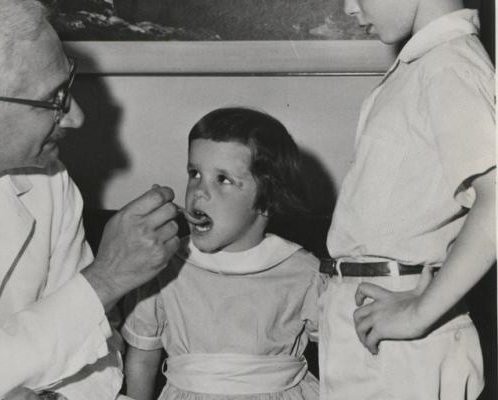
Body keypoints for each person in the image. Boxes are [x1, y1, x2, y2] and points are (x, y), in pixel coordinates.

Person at [0, 0, 181, 399]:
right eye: (52, 100)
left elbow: (96, 355)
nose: (76, 116)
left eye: (68, 84)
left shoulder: (47, 179)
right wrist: (105, 280)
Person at [320, 0, 495, 399]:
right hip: (378, 324)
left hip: (402, 342)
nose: (349, 7)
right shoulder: (424, 64)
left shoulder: (450, 65)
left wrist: (419, 313)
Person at [122, 107, 324, 399]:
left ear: (268, 199)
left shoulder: (304, 271)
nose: (199, 192)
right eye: (195, 173)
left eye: (223, 179)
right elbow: (142, 359)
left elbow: (339, 358)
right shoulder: (163, 263)